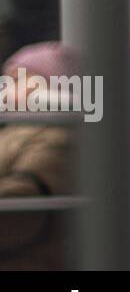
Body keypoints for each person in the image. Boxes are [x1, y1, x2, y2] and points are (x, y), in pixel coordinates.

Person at [0, 42, 77, 270]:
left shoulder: (58, 137)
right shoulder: (17, 131)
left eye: (17, 80)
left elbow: (24, 203)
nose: (5, 90)